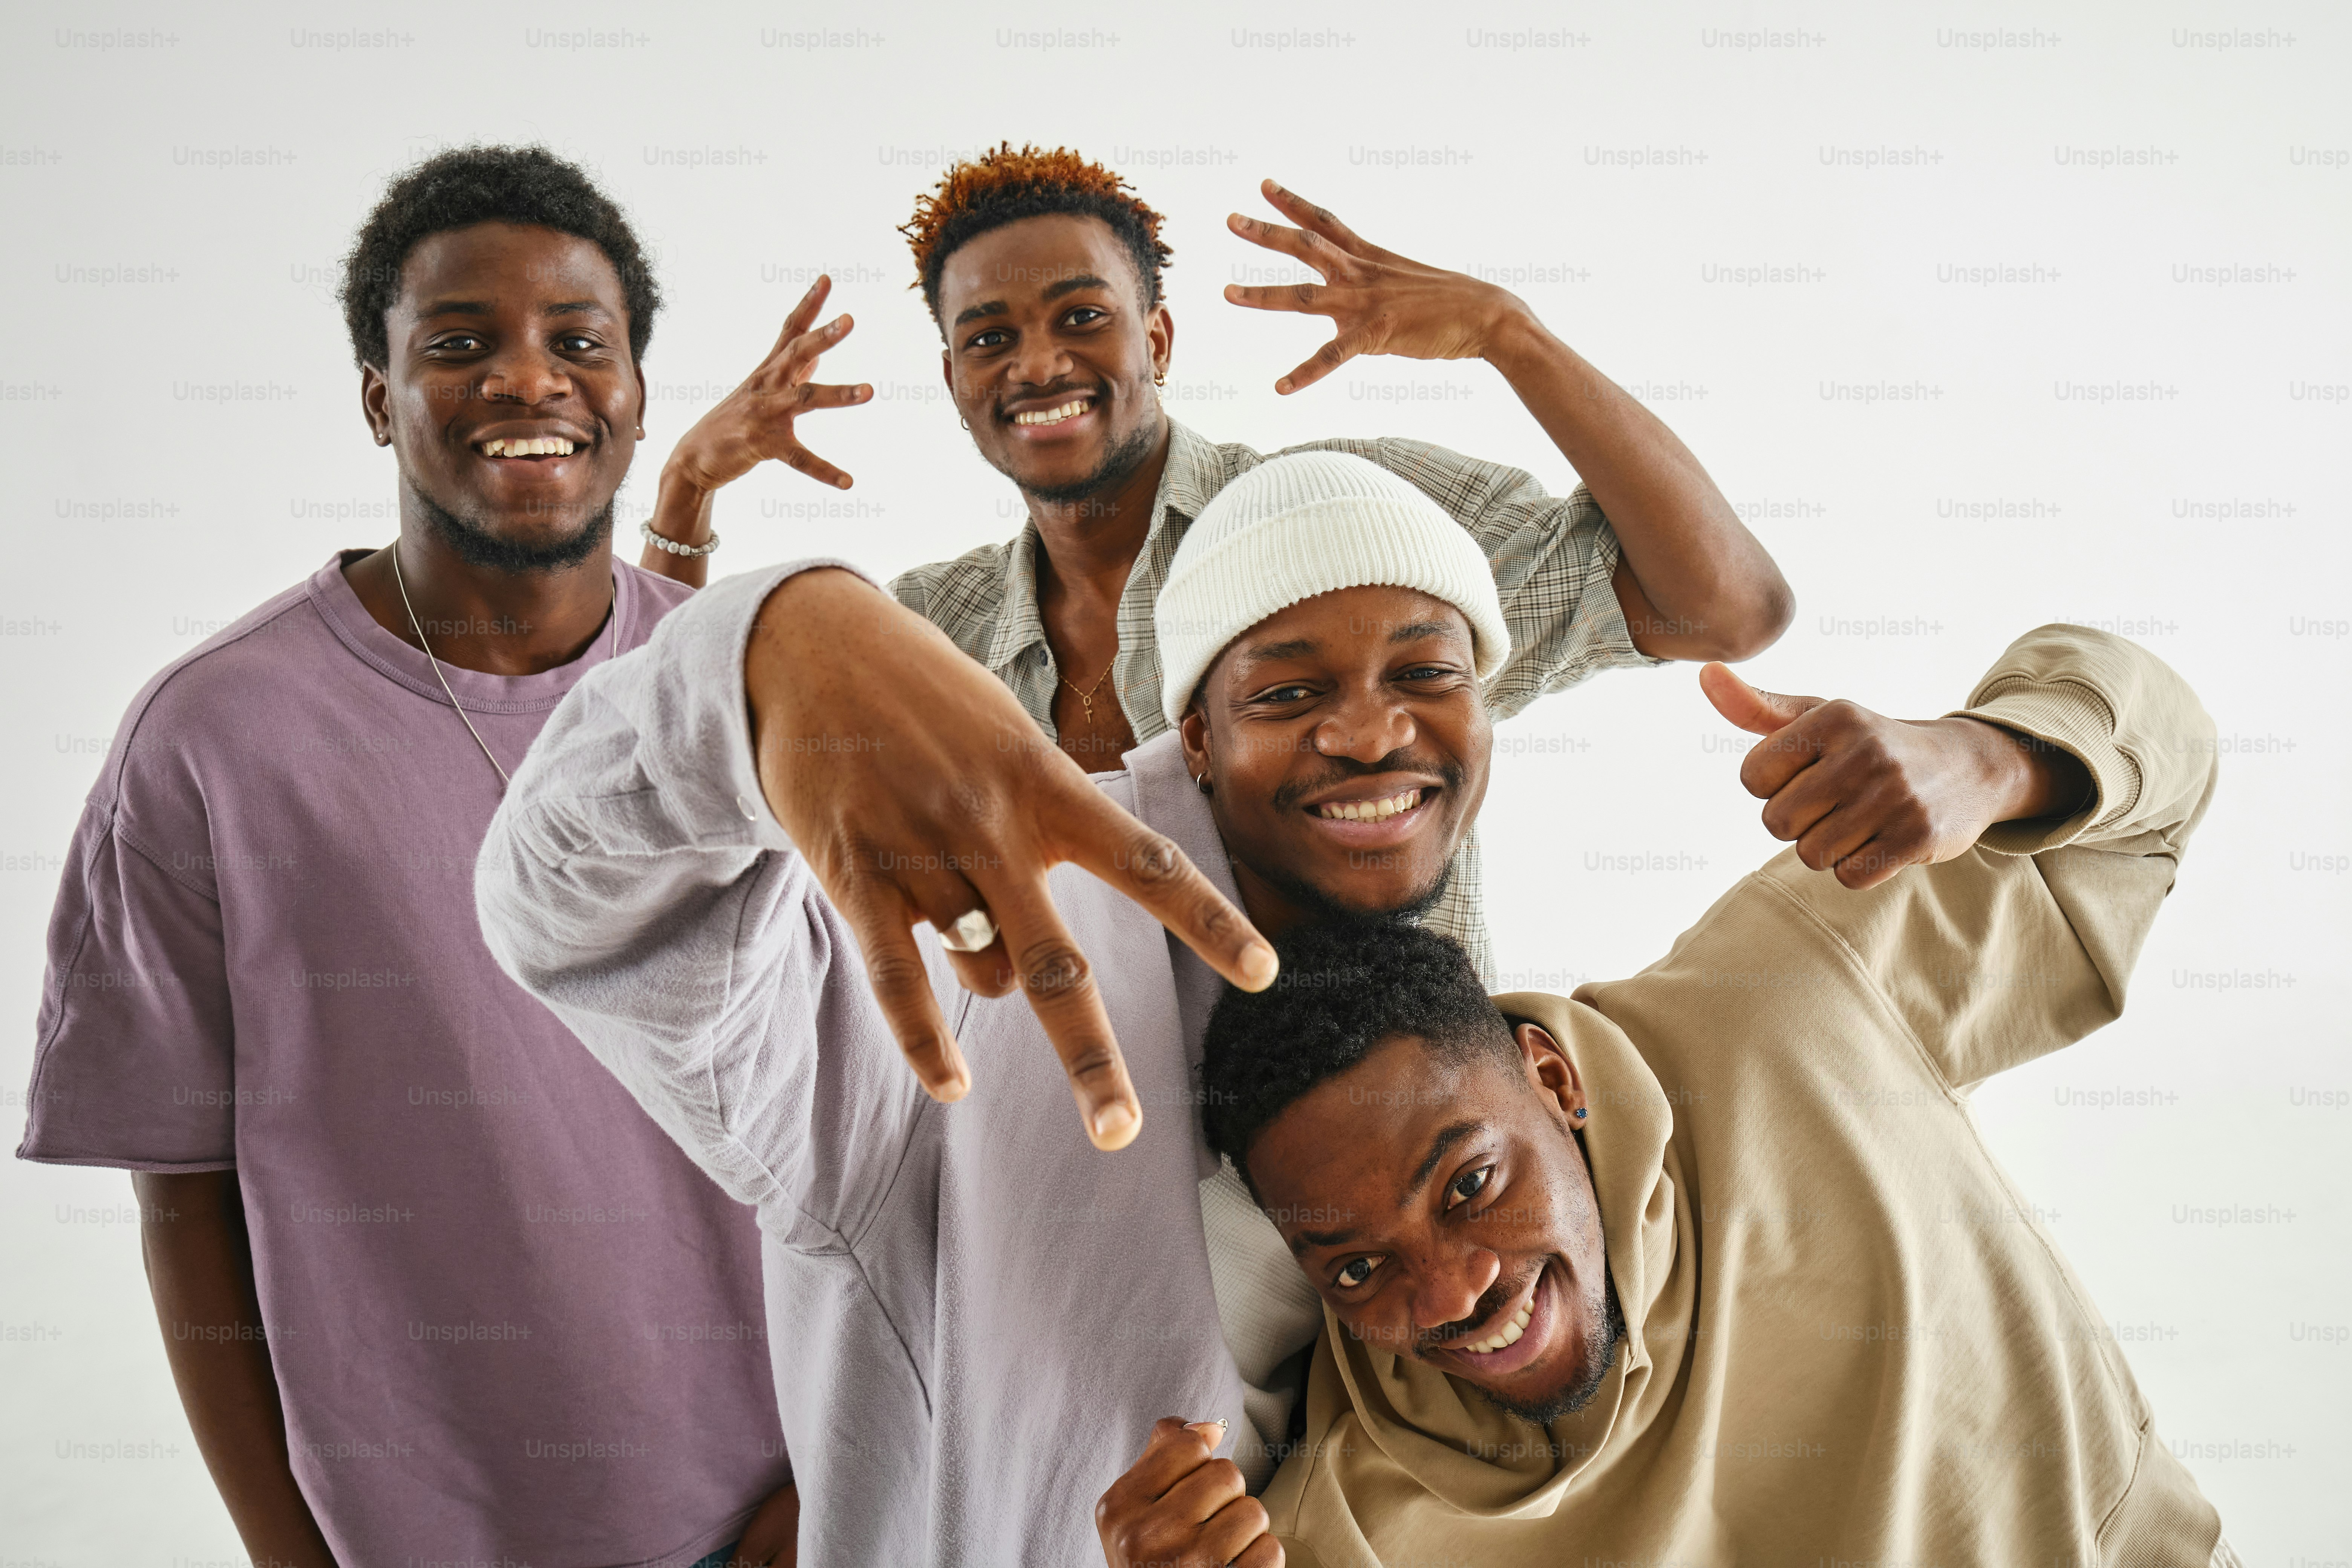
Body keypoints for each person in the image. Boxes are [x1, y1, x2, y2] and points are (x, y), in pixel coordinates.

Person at [477, 448, 1663, 1564]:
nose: (1367, 732)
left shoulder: (1455, 999)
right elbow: (571, 913)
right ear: (1195, 736)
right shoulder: (991, 943)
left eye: (1424, 675)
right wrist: (761, 655)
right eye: (1292, 690)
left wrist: (1854, 847)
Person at [16, 146, 812, 1568]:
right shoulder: (214, 742)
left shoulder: (755, 690)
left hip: (802, 1511)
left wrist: (845, 1474)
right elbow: (184, 1203)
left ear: (633, 401)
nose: (528, 380)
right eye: (460, 347)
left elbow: (884, 1130)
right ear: (381, 402)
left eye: (581, 343)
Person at [1096, 626, 2235, 1568]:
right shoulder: (1345, 1525)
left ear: (1551, 1078)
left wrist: (1992, 759)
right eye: (1357, 1268)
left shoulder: (1789, 1005)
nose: (1452, 1294)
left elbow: (2162, 778)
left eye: (1471, 1184)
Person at [630, 144, 1793, 978]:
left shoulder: (1347, 521)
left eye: (1082, 316)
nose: (1038, 363)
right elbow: (669, 793)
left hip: (1403, 1182)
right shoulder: (930, 625)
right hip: (1098, 1201)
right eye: (990, 337)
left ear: (1160, 339)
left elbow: (1725, 608)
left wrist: (1507, 333)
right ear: (954, 383)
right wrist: (681, 499)